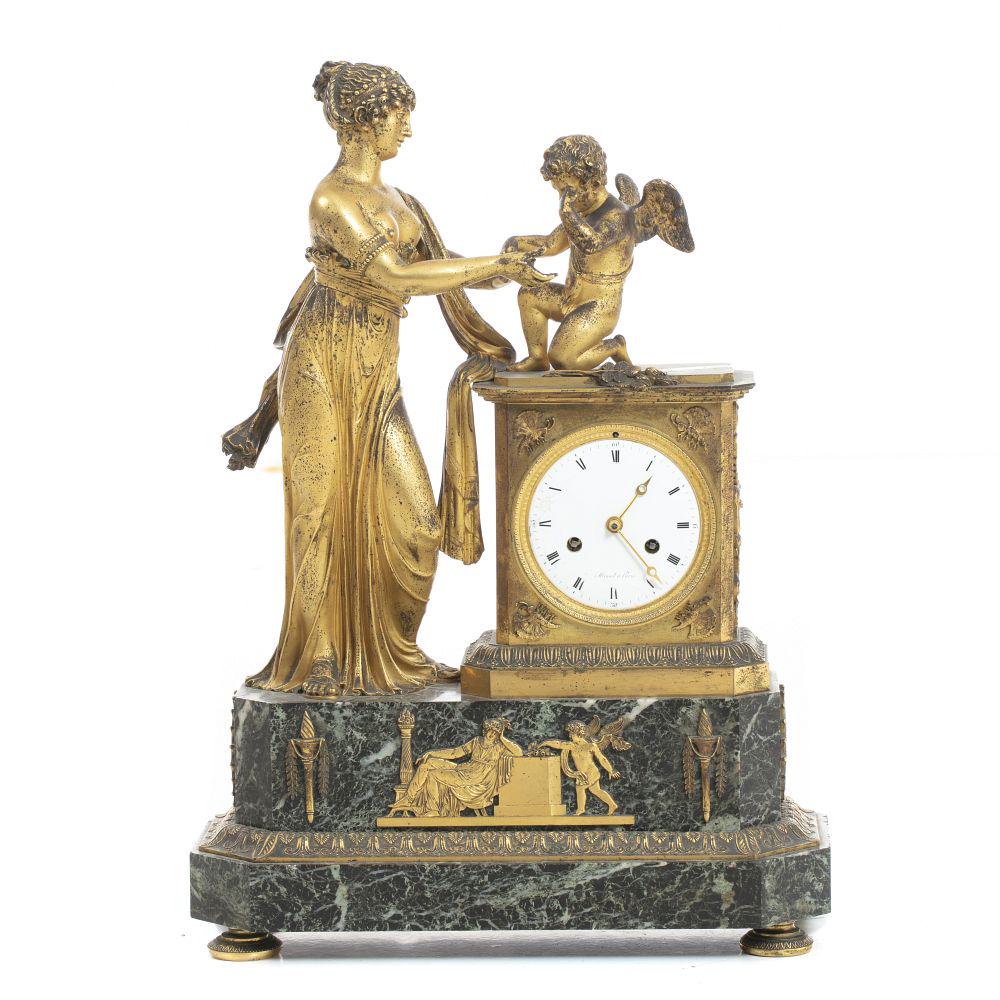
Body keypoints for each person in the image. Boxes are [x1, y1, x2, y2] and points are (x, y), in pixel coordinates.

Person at [233, 61, 552, 697]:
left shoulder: (402, 202)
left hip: (377, 372)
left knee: (417, 526)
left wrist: (511, 266)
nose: (406, 129)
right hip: (324, 365)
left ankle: (395, 655)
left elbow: (442, 270)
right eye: (398, 116)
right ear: (362, 121)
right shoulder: (331, 200)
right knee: (319, 513)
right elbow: (396, 278)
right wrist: (487, 265)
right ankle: (322, 659)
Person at [388, 719, 524, 817]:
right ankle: (408, 798)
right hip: (463, 769)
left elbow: (518, 752)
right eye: (490, 731)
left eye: (495, 733)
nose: (491, 735)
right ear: (485, 730)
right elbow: (454, 753)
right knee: (427, 764)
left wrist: (502, 738)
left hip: (474, 778)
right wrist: (431, 753)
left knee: (433, 774)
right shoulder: (477, 741)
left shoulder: (499, 747)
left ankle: (433, 810)